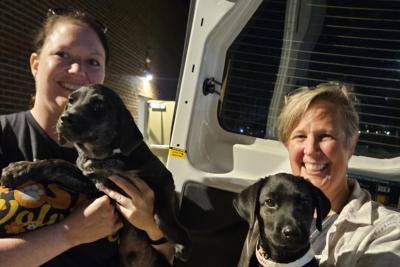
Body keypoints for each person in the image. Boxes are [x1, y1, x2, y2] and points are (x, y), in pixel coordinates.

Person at [0, 8, 173, 266]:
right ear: (35, 64)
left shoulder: (124, 153)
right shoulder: (6, 136)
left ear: (104, 74)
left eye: (93, 62)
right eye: (62, 55)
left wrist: (152, 227)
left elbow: (168, 256)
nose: (77, 71)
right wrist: (68, 234)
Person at [276, 81, 400, 266]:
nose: (310, 150)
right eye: (300, 136)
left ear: (351, 145)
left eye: (325, 136)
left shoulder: (386, 233)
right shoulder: (269, 211)